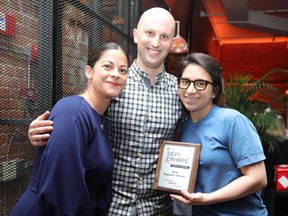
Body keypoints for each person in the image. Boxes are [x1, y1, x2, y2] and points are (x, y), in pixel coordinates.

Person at [27, 7, 183, 215]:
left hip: (157, 209)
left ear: (172, 42)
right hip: (111, 207)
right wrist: (40, 132)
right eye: (150, 33)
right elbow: (78, 117)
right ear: (136, 35)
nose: (155, 43)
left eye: (164, 36)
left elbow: (196, 132)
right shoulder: (112, 83)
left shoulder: (180, 91)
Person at [11, 42, 128, 216]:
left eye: (123, 70)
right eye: (107, 66)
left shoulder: (101, 117)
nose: (115, 74)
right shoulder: (73, 112)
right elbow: (63, 190)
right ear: (89, 71)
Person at [171, 52, 268, 215]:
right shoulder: (184, 129)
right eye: (185, 82)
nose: (190, 90)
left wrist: (207, 198)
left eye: (200, 83)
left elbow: (258, 178)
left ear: (215, 91)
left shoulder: (232, 121)